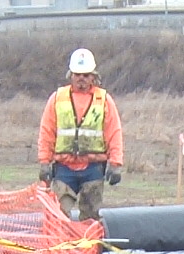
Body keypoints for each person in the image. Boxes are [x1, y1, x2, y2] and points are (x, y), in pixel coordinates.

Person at [37, 48, 125, 222]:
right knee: (58, 215)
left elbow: (114, 132)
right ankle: (61, 248)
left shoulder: (104, 100)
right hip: (64, 168)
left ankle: (89, 249)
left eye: (85, 75)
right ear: (71, 75)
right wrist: (44, 162)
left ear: (93, 76)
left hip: (93, 169)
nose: (81, 79)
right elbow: (47, 132)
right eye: (78, 74)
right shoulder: (57, 99)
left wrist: (116, 164)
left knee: (91, 218)